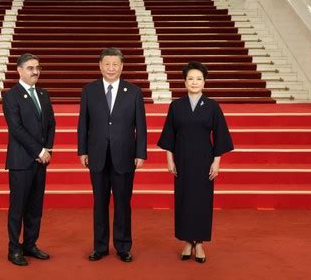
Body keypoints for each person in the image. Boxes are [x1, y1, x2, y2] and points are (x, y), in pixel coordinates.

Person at [157, 61, 233, 263]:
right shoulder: (176, 106)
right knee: (183, 200)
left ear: (204, 82)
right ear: (184, 82)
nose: (194, 82)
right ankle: (187, 242)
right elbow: (168, 135)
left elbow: (220, 136)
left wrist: (216, 162)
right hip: (181, 160)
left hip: (203, 160)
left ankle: (199, 243)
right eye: (190, 78)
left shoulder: (212, 106)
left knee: (201, 201)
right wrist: (169, 160)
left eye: (198, 78)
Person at [77, 47, 147, 263]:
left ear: (122, 66)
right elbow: (83, 124)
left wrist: (140, 153)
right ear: (100, 66)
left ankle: (123, 246)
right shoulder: (89, 91)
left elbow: (141, 127)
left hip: (125, 155)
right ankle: (100, 246)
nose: (111, 68)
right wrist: (82, 150)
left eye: (115, 64)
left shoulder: (134, 92)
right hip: (97, 155)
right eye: (107, 64)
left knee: (123, 203)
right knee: (99, 203)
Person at [2, 53, 56, 266]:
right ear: (20, 70)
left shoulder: (43, 94)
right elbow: (16, 129)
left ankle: (30, 244)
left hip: (41, 160)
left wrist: (47, 149)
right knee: (18, 207)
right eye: (31, 68)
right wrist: (39, 151)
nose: (36, 71)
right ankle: (14, 249)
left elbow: (52, 123)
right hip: (21, 161)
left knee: (35, 207)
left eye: (38, 68)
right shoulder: (11, 96)